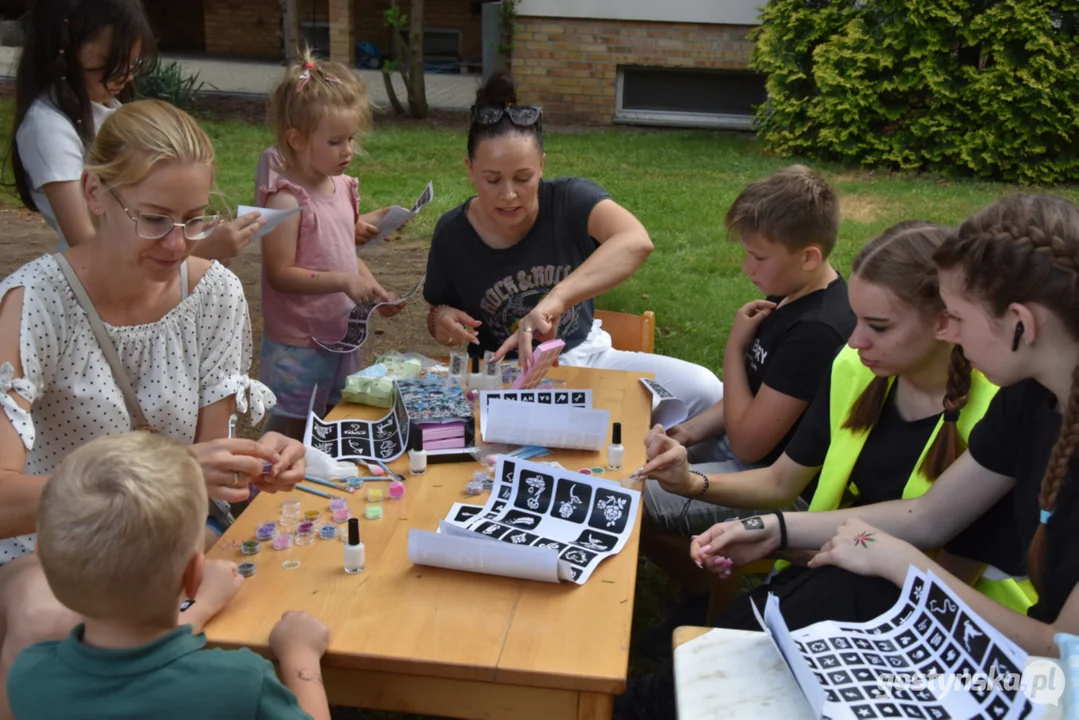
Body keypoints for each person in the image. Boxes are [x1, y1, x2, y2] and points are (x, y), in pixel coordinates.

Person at [614, 221, 1030, 720]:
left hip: (932, 627)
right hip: (836, 575)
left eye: (878, 326)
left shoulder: (1001, 412)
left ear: (946, 322)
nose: (855, 341)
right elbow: (780, 482)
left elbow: (936, 581)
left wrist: (784, 538)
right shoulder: (854, 369)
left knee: (736, 657)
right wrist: (694, 485)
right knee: (735, 644)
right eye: (855, 318)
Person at [0, 99, 306, 716]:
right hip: (53, 551)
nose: (177, 243)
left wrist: (251, 463)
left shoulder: (215, 293)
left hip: (167, 542)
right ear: (94, 193)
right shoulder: (37, 304)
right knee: (44, 612)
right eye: (154, 219)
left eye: (195, 220)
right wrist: (179, 472)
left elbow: (211, 479)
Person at [692, 194, 1079, 660]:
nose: (948, 334)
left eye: (956, 318)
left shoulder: (1015, 392)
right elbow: (930, 515)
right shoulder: (1030, 396)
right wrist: (775, 528)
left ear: (1021, 323)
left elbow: (1063, 649)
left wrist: (901, 563)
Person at [422, 72, 723, 420]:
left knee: (707, 391)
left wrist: (557, 299)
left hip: (590, 359)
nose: (508, 194)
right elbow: (437, 311)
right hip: (505, 379)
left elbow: (636, 241)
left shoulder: (570, 200)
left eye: (523, 178)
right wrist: (441, 318)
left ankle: (687, 470)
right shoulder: (453, 232)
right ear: (470, 170)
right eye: (492, 180)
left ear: (542, 167)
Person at [8, 432, 332, 720]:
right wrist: (299, 655)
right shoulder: (241, 683)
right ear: (195, 573)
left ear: (45, 562)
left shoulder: (28, 674)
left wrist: (200, 607)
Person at [644, 165, 855, 533]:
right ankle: (693, 585)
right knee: (634, 463)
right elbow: (756, 393)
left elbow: (747, 446)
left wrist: (735, 347)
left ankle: (695, 584)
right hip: (747, 455)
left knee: (632, 496)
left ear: (808, 257)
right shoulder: (792, 292)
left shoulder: (816, 332)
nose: (746, 268)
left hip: (775, 484)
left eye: (758, 257)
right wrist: (687, 433)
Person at [10, 0, 263, 257]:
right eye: (115, 63)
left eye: (133, 63)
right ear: (66, 47)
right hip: (102, 287)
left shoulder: (108, 107)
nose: (128, 75)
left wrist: (191, 230)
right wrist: (200, 250)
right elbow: (86, 244)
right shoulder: (48, 128)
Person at [258, 52, 404, 440]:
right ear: (297, 139)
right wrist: (343, 281)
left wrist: (373, 290)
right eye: (335, 141)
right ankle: (258, 495)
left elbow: (344, 254)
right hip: (298, 341)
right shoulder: (286, 200)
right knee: (290, 423)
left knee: (334, 414)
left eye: (352, 138)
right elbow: (280, 273)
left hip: (339, 333)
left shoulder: (342, 187)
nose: (348, 150)